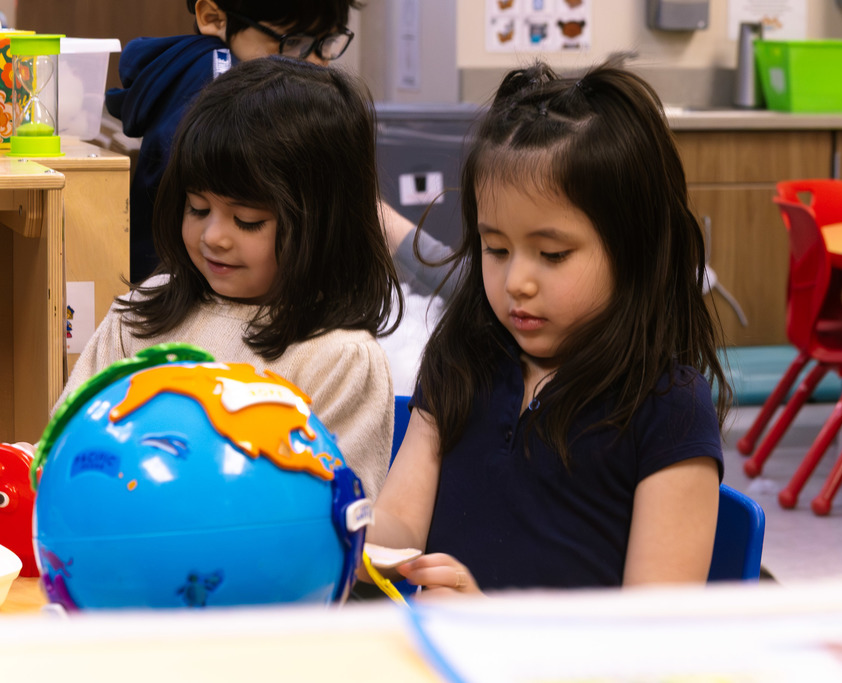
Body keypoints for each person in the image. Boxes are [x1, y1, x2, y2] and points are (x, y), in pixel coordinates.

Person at [365, 60, 731, 594]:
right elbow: (399, 529)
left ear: (635, 251)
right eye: (496, 249)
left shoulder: (668, 408)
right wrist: (339, 539)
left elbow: (655, 634)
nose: (517, 281)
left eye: (552, 255)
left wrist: (495, 629)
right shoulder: (462, 359)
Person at [60, 56, 401, 501]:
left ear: (322, 225)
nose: (214, 237)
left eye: (246, 220)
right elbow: (68, 445)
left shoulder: (338, 358)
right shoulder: (144, 312)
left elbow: (333, 525)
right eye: (197, 209)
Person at [106, 0, 360, 283]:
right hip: (181, 279)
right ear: (213, 17)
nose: (316, 61)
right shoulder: (223, 91)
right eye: (295, 42)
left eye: (329, 41)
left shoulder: (191, 67)